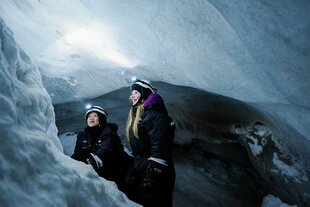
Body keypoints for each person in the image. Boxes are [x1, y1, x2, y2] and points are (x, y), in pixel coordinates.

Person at [124, 79, 176, 207]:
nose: (132, 96)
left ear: (145, 93)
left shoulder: (155, 115)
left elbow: (160, 146)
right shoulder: (138, 115)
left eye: (136, 92)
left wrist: (154, 174)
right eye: (132, 94)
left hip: (155, 169)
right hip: (142, 166)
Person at [71, 105, 128, 191]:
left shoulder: (109, 133)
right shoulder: (82, 136)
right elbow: (77, 154)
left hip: (115, 173)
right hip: (95, 173)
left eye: (95, 116)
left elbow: (105, 150)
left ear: (101, 118)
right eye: (89, 116)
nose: (91, 118)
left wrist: (93, 160)